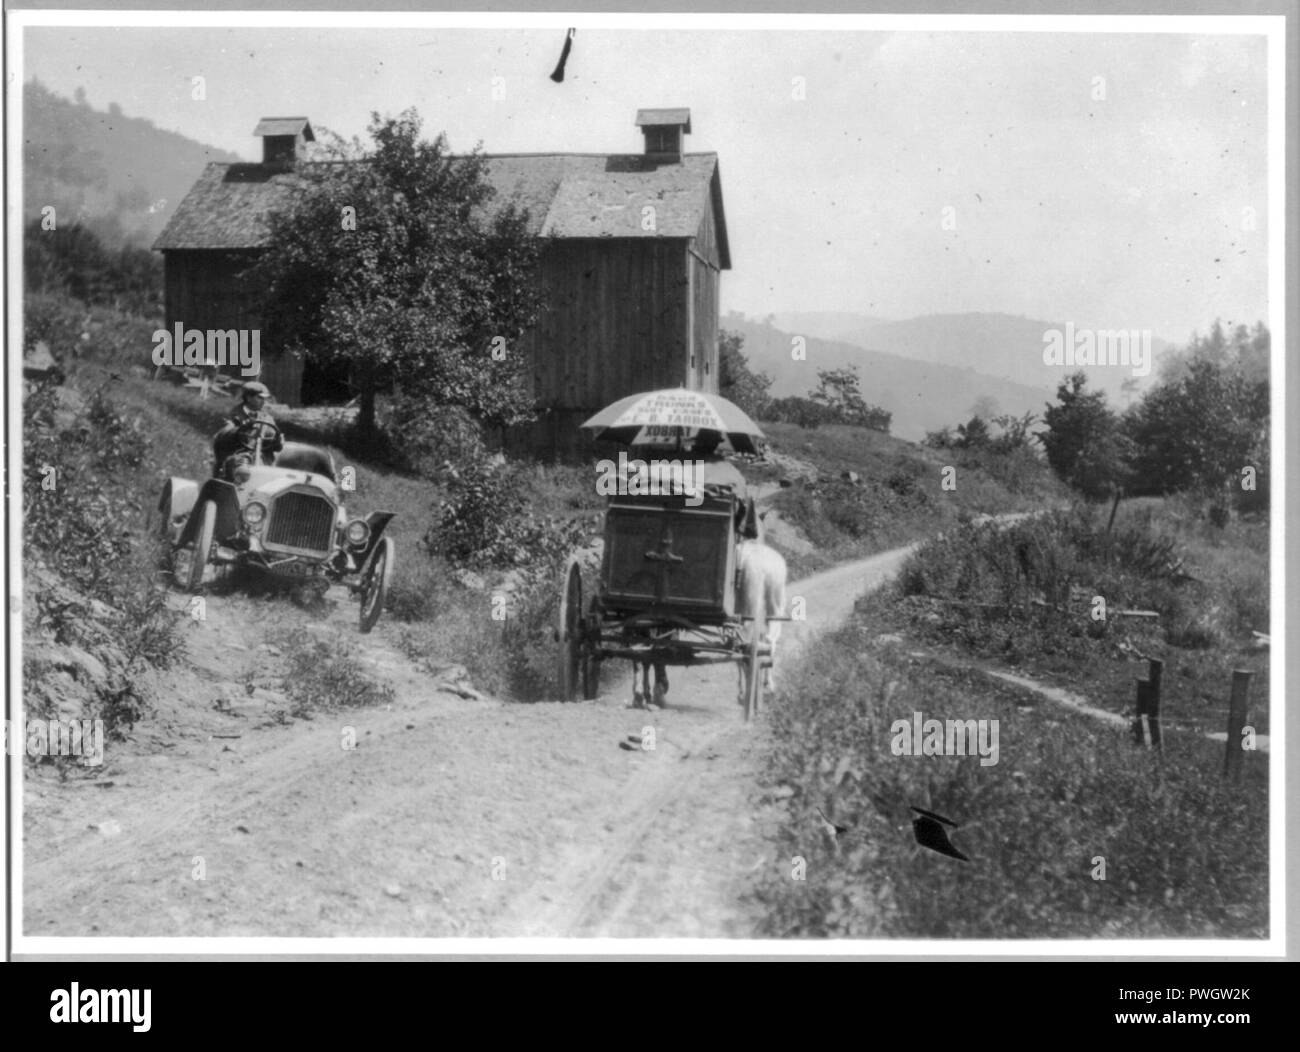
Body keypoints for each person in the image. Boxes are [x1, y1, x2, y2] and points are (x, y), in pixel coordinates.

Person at [693, 430, 758, 538]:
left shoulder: (677, 465)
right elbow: (742, 506)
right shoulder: (731, 472)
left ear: (696, 443)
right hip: (715, 531)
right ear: (716, 445)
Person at [214, 381, 283, 480]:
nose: (263, 402)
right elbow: (221, 437)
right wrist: (241, 430)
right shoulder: (233, 414)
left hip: (260, 460)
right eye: (259, 398)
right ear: (248, 398)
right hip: (235, 460)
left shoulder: (267, 418)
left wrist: (277, 441)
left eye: (264, 399)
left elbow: (275, 443)